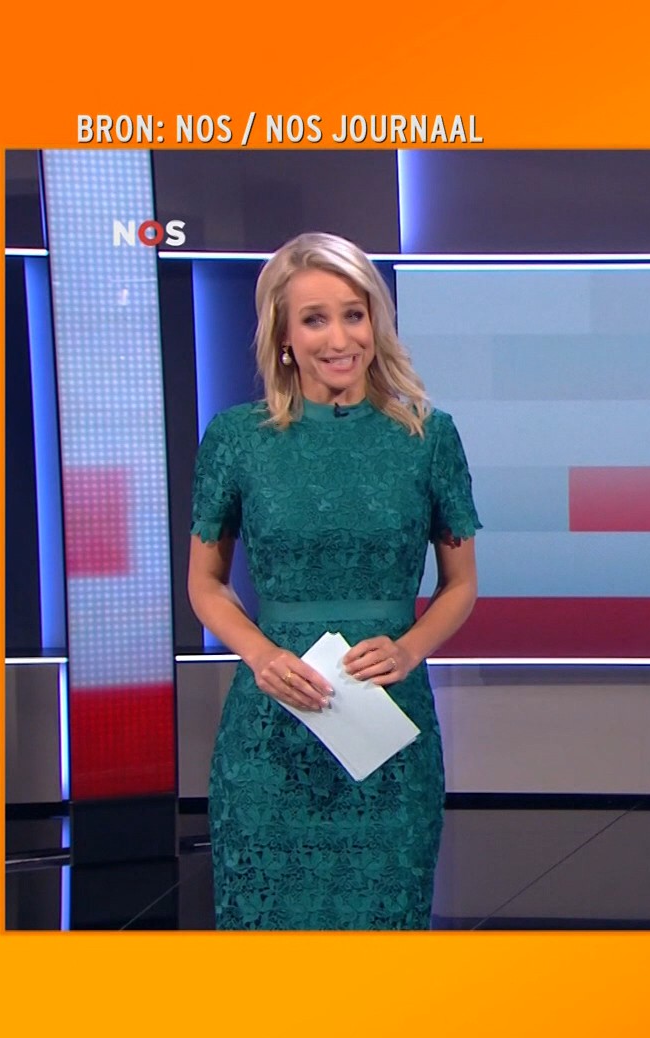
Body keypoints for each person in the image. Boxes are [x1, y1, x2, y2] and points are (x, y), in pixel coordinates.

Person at [186, 231, 480, 930]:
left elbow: (461, 584)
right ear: (283, 335)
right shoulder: (236, 438)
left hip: (387, 720)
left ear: (377, 321)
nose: (340, 338)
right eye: (315, 319)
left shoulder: (428, 437)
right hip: (271, 730)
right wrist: (260, 654)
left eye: (355, 314)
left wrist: (408, 649)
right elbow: (206, 583)